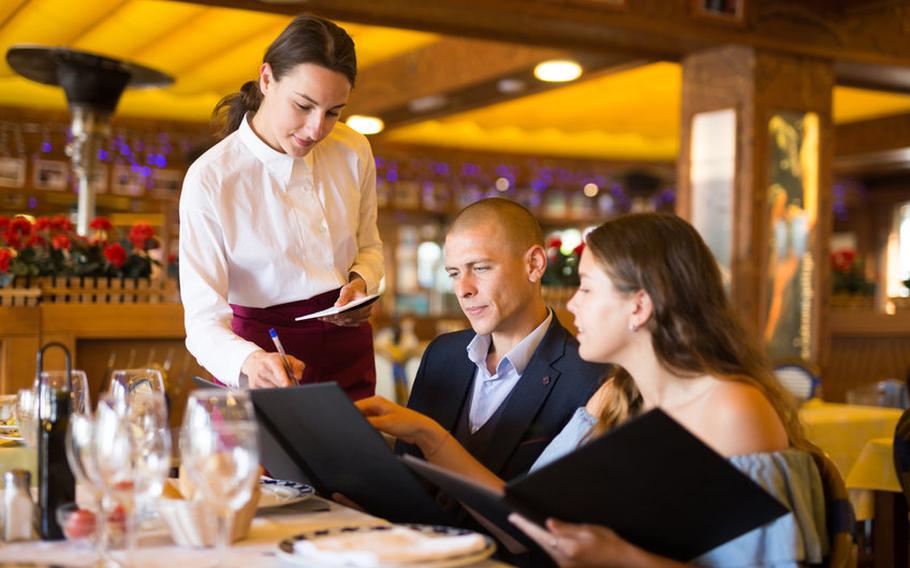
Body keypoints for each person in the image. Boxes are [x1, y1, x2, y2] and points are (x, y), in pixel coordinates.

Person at [358, 212, 829, 566]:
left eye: (586, 288)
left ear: (639, 305)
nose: (574, 306)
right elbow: (526, 518)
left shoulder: (733, 408)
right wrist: (427, 436)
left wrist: (622, 558)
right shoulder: (614, 397)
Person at [179, 15, 382, 398]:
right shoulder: (211, 179)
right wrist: (250, 362)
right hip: (263, 359)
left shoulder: (354, 150)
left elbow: (370, 245)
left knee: (355, 459)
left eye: (334, 112)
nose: (316, 129)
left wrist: (361, 283)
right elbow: (203, 321)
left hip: (348, 349)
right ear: (267, 79)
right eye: (303, 106)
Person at [397, 198, 607, 483]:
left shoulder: (589, 377)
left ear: (534, 264)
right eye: (454, 273)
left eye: (480, 268)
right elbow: (405, 474)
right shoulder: (441, 354)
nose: (463, 289)